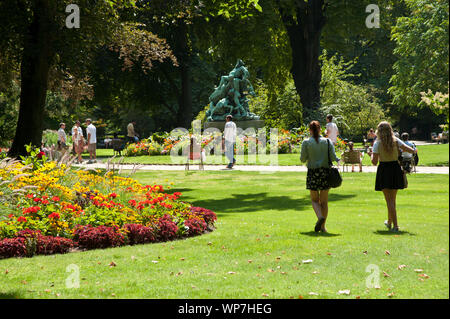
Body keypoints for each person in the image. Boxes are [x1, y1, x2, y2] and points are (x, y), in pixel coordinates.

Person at [368, 122, 416, 232]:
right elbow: (410, 149)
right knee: (392, 200)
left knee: (389, 201)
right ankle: (389, 222)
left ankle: (395, 226)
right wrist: (414, 150)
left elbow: (374, 162)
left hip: (384, 169)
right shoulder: (395, 140)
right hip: (395, 168)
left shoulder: (377, 143)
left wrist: (370, 154)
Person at [300, 121, 340, 233]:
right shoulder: (327, 141)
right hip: (325, 172)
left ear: (310, 130)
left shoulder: (306, 142)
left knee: (314, 200)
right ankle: (323, 226)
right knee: (324, 201)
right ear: (320, 129)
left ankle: (320, 217)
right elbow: (333, 157)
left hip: (313, 172)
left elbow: (303, 159)